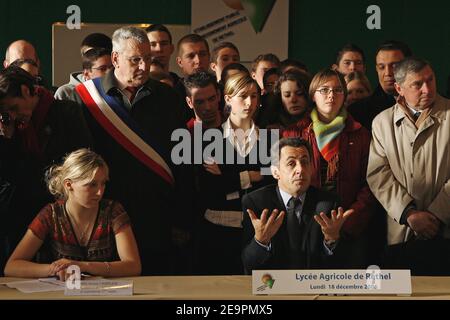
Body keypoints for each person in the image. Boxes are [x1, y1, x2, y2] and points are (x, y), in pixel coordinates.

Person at [68, 26, 185, 275]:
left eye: (148, 59)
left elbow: (181, 161)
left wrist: (181, 217)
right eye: (135, 60)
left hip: (157, 216)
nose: (144, 67)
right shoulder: (85, 99)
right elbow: (78, 165)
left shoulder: (169, 98)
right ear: (115, 58)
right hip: (104, 217)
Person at [0, 66, 93, 274]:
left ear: (26, 91)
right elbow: (9, 175)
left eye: (14, 108)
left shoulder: (66, 112)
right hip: (21, 215)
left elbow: (81, 161)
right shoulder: (11, 126)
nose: (14, 116)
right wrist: (6, 139)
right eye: (8, 112)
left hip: (60, 209)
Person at [283, 69, 377, 267]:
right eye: (324, 90)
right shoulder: (295, 132)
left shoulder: (361, 134)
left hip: (349, 225)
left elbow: (371, 184)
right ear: (313, 95)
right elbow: (285, 182)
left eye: (337, 90)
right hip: (307, 224)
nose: (331, 95)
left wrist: (348, 221)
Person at [367, 57, 450, 274]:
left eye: (430, 80)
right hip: (402, 233)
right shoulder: (382, 123)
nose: (427, 88)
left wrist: (437, 215)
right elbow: (378, 174)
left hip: (445, 231)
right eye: (417, 84)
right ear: (399, 88)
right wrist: (409, 214)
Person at [4, 148, 141, 279]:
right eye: (92, 184)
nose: (100, 192)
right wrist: (55, 269)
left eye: (103, 183)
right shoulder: (50, 214)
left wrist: (82, 266)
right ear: (69, 185)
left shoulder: (113, 211)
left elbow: (133, 266)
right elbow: (11, 267)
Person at [195, 72, 271, 275]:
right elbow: (209, 188)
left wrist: (227, 177)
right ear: (227, 99)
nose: (250, 102)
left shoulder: (268, 139)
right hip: (217, 230)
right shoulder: (208, 139)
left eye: (254, 96)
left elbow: (269, 185)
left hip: (258, 229)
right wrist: (250, 176)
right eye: (243, 96)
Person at [241, 137, 353, 273]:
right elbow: (248, 265)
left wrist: (332, 240)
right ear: (276, 172)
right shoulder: (256, 202)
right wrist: (260, 241)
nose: (300, 169)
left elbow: (342, 266)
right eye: (291, 163)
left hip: (314, 287)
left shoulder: (329, 204)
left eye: (305, 162)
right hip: (272, 287)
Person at [348, 40, 412, 130]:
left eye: (394, 66)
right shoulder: (358, 112)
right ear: (377, 69)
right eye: (382, 67)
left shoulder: (429, 104)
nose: (387, 73)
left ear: (410, 66)